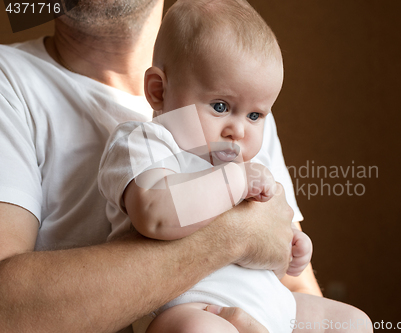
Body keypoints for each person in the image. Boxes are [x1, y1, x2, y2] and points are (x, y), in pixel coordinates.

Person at [0, 0, 371, 331]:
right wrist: (241, 228)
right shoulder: (146, 138)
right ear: (158, 91)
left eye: (256, 114)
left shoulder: (240, 106)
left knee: (353, 323)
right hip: (199, 309)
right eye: (220, 107)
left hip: (266, 306)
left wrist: (292, 245)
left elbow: (290, 275)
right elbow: (160, 213)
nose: (239, 128)